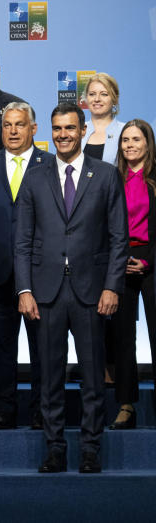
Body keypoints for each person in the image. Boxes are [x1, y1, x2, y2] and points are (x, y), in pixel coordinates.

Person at [15, 102, 128, 474]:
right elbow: (23, 241)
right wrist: (24, 290)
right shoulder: (35, 177)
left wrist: (112, 286)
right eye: (57, 129)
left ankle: (91, 450)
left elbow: (118, 238)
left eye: (70, 128)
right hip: (45, 293)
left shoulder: (107, 175)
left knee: (94, 378)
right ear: (50, 132)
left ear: (82, 131)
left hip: (92, 293)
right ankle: (55, 449)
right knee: (49, 377)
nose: (63, 135)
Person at [0, 102, 53, 430]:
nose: (14, 131)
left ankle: (41, 411)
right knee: (0, 350)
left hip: (42, 274)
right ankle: (3, 409)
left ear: (34, 129)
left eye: (20, 125)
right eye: (7, 125)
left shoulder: (51, 165)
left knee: (44, 350)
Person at [105, 120, 156, 430]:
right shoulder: (111, 179)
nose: (129, 145)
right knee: (121, 340)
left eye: (136, 139)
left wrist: (147, 261)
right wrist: (120, 259)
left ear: (148, 143)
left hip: (152, 263)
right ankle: (126, 405)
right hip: (119, 264)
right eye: (125, 140)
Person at [81, 73, 124, 165]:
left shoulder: (125, 131)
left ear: (114, 99)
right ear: (86, 98)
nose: (97, 99)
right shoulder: (76, 130)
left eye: (104, 94)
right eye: (92, 94)